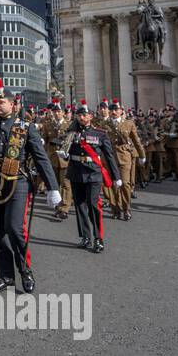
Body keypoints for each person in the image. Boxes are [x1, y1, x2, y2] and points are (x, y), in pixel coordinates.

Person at [0, 80, 58, 293]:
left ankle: (25, 270)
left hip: (17, 182)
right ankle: (5, 275)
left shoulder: (24, 127)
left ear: (13, 105)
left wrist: (53, 187)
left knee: (15, 229)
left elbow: (41, 158)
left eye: (1, 102)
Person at [62, 99, 120, 253]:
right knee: (80, 206)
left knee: (93, 205)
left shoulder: (100, 134)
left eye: (84, 114)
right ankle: (85, 237)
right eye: (79, 115)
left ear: (91, 116)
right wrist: (64, 152)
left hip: (93, 173)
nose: (81, 117)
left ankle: (98, 238)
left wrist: (116, 177)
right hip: (75, 172)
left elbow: (109, 156)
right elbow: (65, 152)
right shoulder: (71, 132)